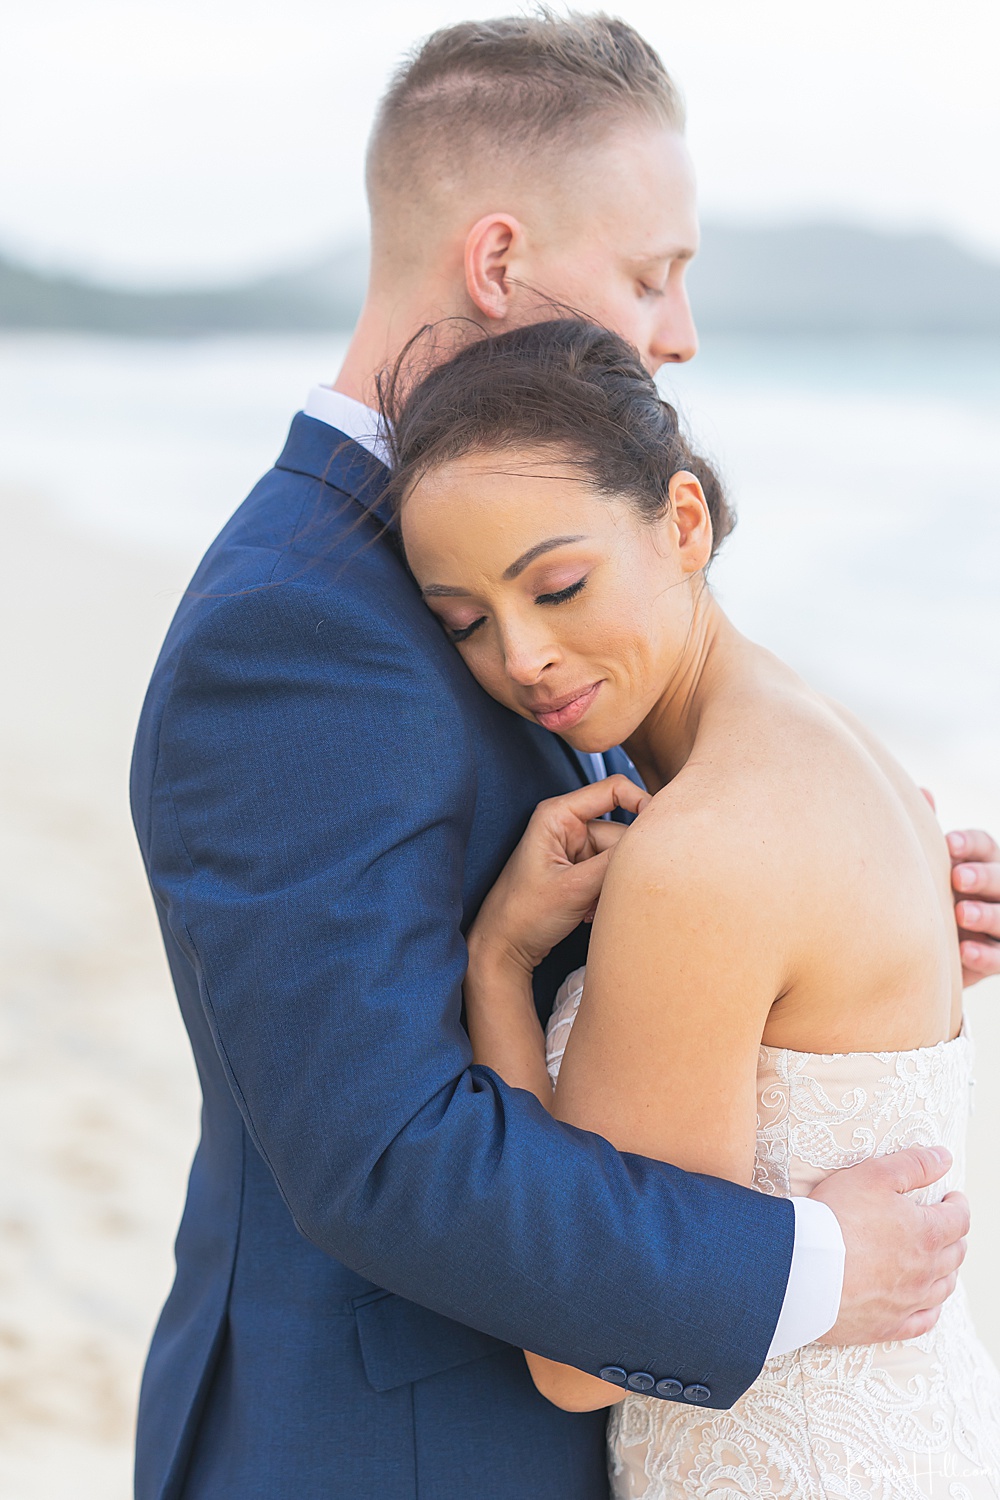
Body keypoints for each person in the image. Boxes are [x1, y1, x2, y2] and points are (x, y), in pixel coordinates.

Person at [129, 14, 1000, 1499]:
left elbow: (625, 863)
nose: (680, 333)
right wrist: (817, 1260)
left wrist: (840, 921)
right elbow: (386, 1155)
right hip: (390, 1448)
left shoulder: (489, 550)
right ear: (497, 265)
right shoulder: (296, 623)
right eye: (654, 272)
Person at [387, 316, 1000, 1496]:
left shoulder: (700, 846)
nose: (521, 657)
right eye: (464, 622)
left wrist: (498, 970)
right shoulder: (835, 742)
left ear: (681, 522)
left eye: (557, 586)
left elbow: (579, 1354)